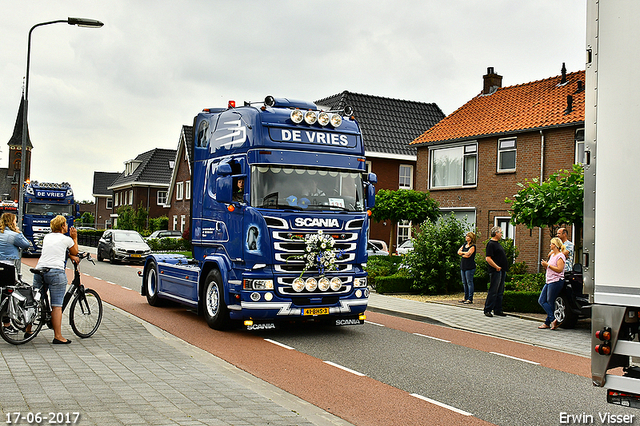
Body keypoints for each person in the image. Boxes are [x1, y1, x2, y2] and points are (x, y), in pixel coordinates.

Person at [31, 215, 79, 344]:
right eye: (66, 224)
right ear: (63, 226)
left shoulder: (47, 237)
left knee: (34, 300)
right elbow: (75, 251)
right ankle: (58, 336)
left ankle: (28, 329)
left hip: (40, 269)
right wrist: (74, 237)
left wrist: (67, 253)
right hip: (55, 272)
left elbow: (54, 249)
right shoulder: (67, 239)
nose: (67, 226)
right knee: (57, 306)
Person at [0, 213, 31, 334]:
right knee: (7, 296)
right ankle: (7, 325)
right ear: (12, 222)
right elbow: (26, 245)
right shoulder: (14, 235)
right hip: (7, 267)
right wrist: (18, 231)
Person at [538, 237, 566, 330]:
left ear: (555, 245)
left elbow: (559, 269)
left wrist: (548, 265)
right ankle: (552, 320)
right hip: (549, 280)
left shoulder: (560, 256)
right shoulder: (553, 255)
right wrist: (546, 266)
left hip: (556, 281)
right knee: (542, 300)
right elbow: (550, 268)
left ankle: (549, 321)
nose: (550, 245)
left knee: (550, 302)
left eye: (551, 244)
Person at [484, 226, 509, 317]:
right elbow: (488, 258)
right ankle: (488, 309)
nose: (501, 234)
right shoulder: (491, 244)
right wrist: (496, 267)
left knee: (500, 291)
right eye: (500, 232)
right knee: (493, 290)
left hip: (502, 270)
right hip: (496, 271)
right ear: (496, 233)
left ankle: (498, 309)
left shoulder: (498, 243)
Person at [457, 232, 476, 304]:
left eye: (467, 236)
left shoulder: (473, 246)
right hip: (463, 266)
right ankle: (465, 297)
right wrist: (464, 253)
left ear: (471, 238)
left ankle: (470, 298)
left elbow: (468, 255)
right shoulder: (464, 245)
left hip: (470, 267)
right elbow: (459, 252)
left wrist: (463, 253)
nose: (466, 237)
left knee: (469, 282)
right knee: (464, 282)